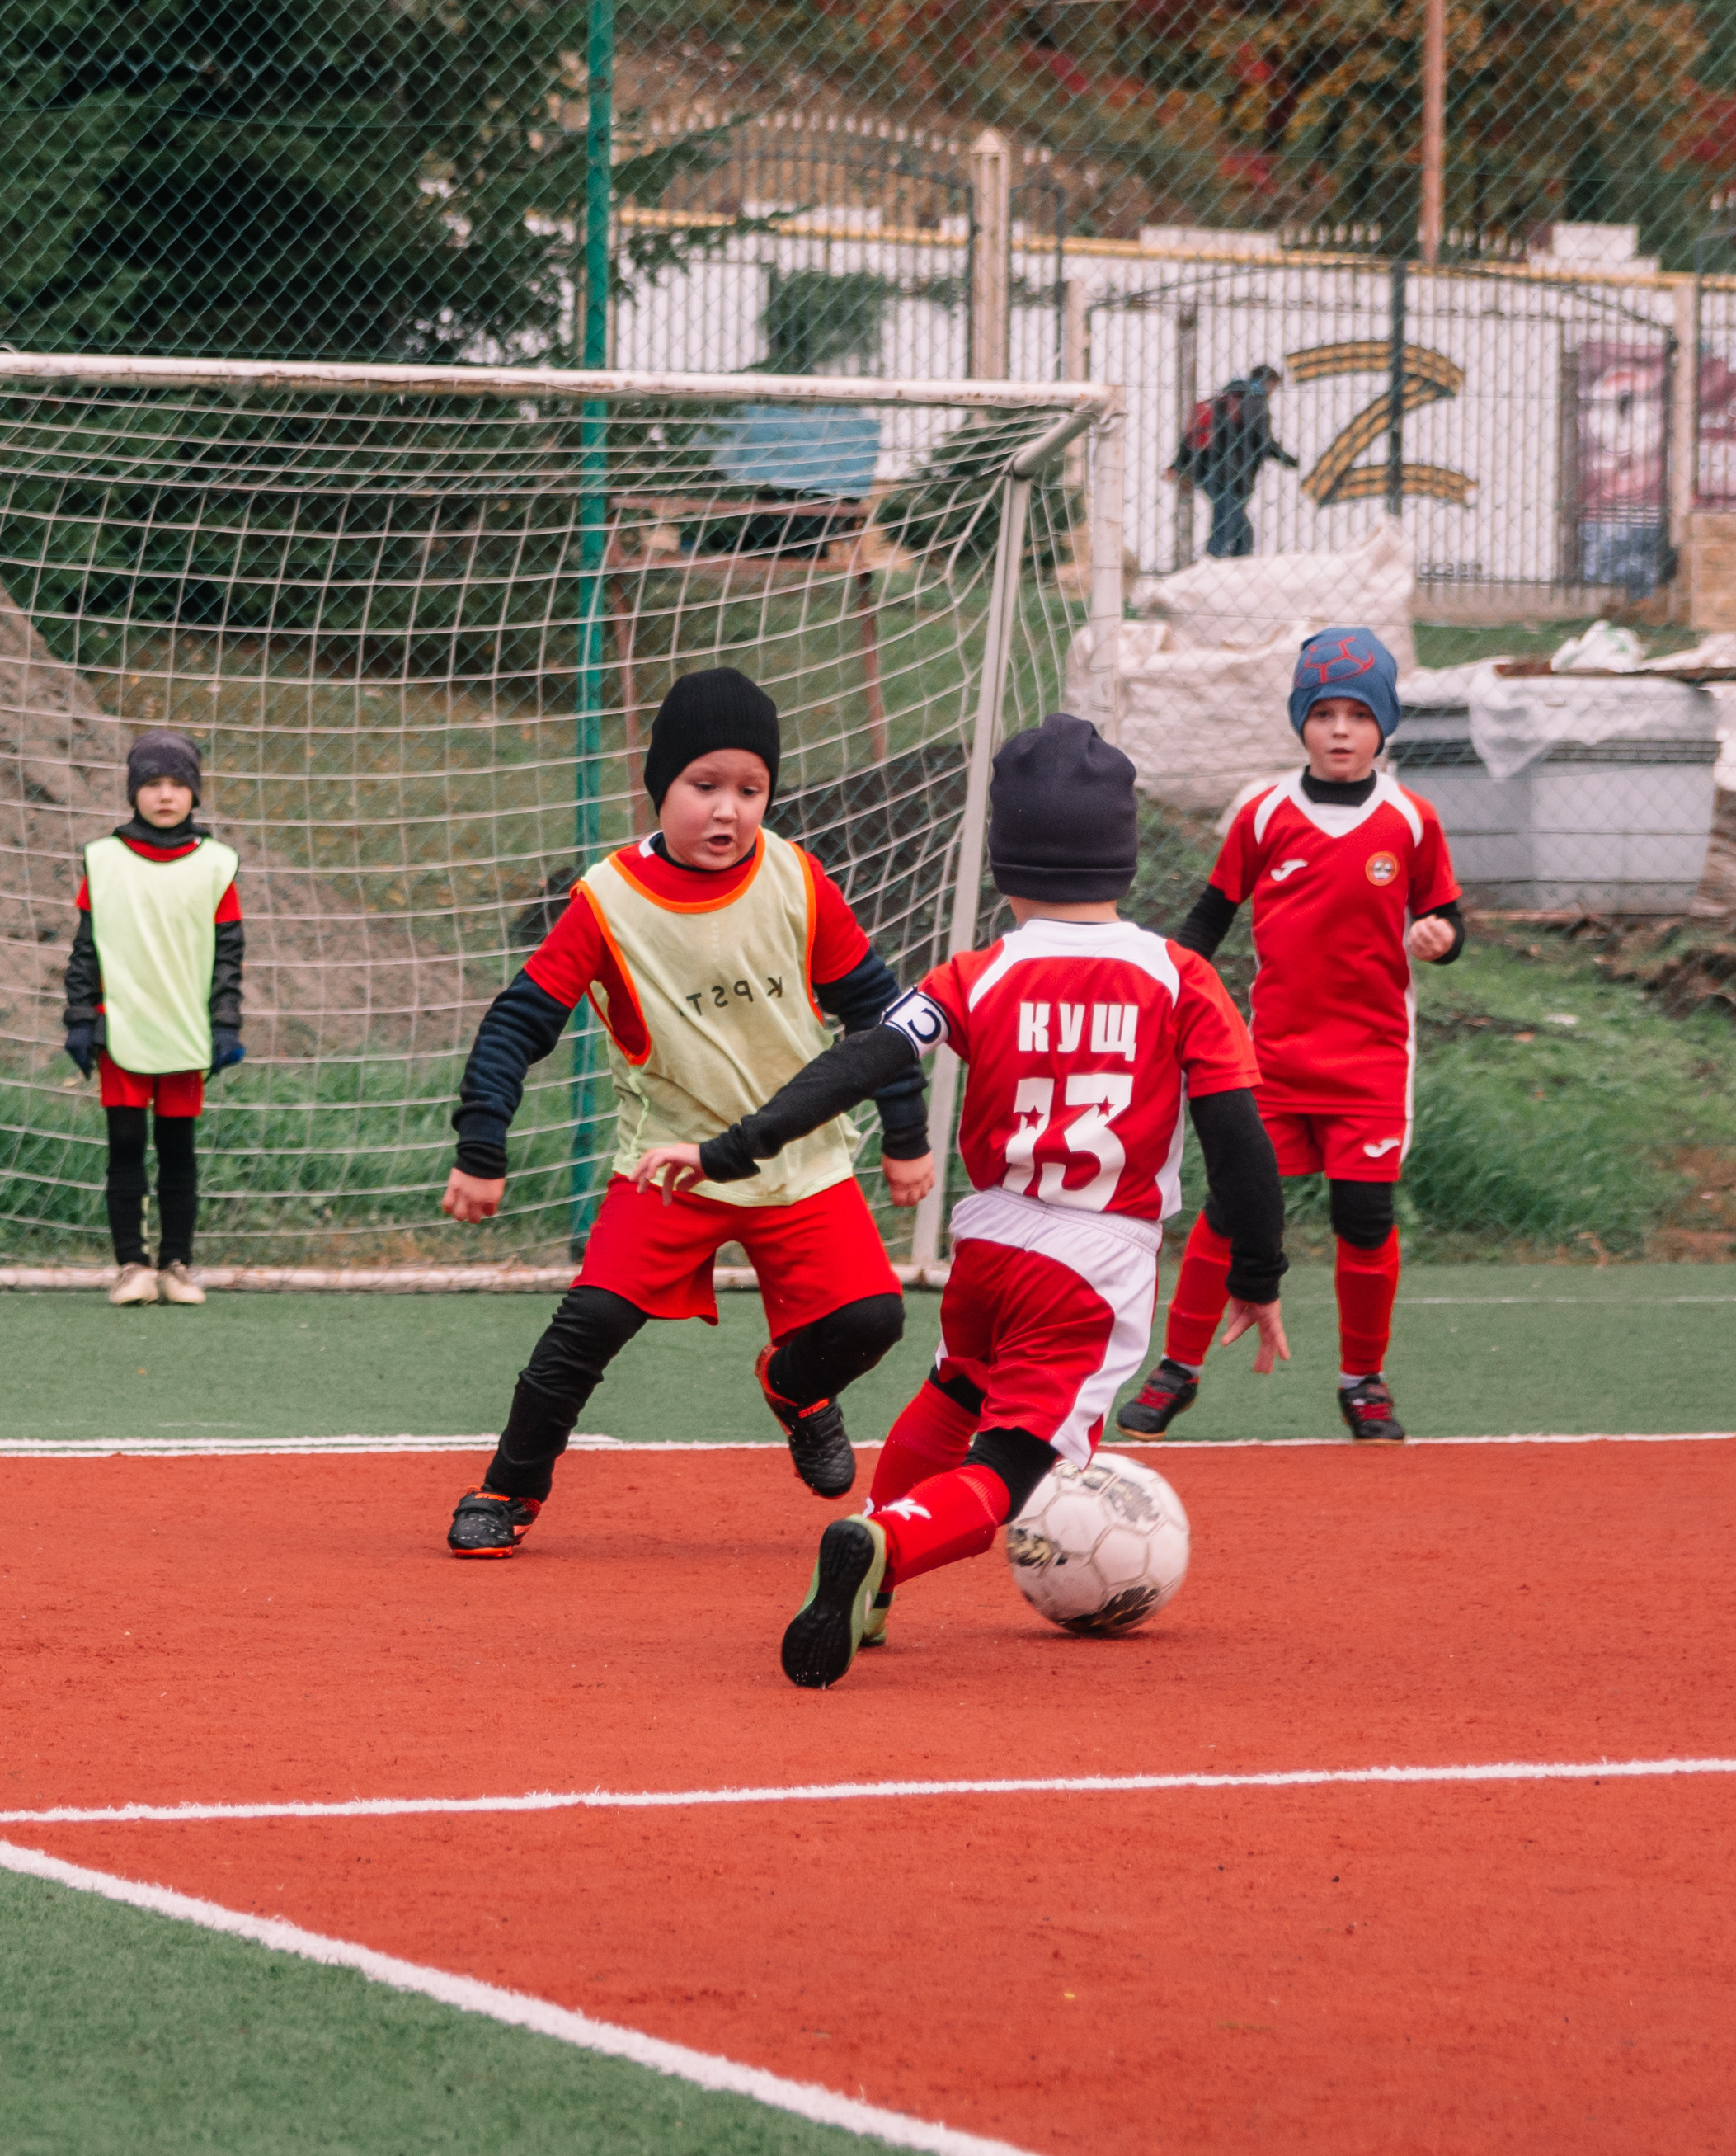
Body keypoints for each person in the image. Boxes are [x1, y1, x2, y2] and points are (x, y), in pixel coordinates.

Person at [633, 713, 1289, 1689]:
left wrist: (735, 1147)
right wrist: (1257, 1271)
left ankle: (875, 1590)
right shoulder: (1179, 978)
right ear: (1122, 852)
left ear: (1003, 862)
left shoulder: (978, 973)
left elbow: (856, 1061)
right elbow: (1239, 1140)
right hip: (1094, 1261)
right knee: (1017, 1464)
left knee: (953, 1393)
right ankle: (886, 1545)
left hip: (988, 1243)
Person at [441, 666, 934, 1558]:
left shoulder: (795, 876)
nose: (728, 811)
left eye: (751, 790)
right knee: (587, 1325)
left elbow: (878, 1009)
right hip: (671, 1162)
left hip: (797, 1159)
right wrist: (483, 1142)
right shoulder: (607, 902)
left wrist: (906, 1133)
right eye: (703, 786)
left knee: (873, 1320)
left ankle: (795, 1389)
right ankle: (507, 1489)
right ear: (659, 784)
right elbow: (518, 1022)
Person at [1118, 626, 1462, 1446]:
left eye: (1356, 713)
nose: (1338, 729)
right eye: (1322, 713)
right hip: (1269, 1060)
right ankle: (1176, 1368)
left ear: (1384, 725)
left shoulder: (1410, 822)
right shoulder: (1262, 812)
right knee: (1231, 1210)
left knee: (1363, 1219)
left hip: (1372, 1064)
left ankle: (1362, 1382)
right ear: (1298, 721)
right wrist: (1163, 982)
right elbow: (1209, 916)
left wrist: (1439, 936)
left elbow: (1445, 913)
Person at [63, 729, 245, 1309]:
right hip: (123, 1031)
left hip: (185, 1034)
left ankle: (176, 1264)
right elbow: (84, 949)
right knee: (124, 1146)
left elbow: (229, 955)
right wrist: (79, 1017)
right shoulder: (104, 859)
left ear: (194, 794)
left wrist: (226, 1023)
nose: (165, 796)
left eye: (177, 784)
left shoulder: (217, 865)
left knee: (178, 1151)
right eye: (152, 784)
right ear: (133, 793)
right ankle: (131, 1266)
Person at [1170, 365, 1298, 558]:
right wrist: (1288, 460)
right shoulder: (1254, 403)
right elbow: (1262, 441)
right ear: (1268, 383)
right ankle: (1209, 569)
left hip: (1208, 473)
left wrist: (1178, 465)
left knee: (1241, 532)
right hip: (1234, 476)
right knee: (1226, 529)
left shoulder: (1223, 400)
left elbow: (1192, 437)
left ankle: (1233, 575)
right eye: (1273, 386)